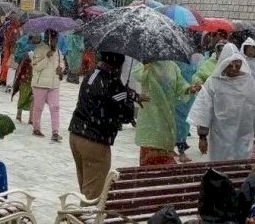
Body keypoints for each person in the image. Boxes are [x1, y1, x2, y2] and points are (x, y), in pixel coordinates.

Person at [68, 51, 142, 199]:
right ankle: (87, 220)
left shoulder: (93, 74)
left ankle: (79, 217)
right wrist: (128, 99)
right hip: (95, 140)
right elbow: (125, 114)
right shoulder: (111, 81)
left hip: (77, 134)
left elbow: (112, 96)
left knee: (85, 188)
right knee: (93, 196)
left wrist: (130, 94)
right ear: (117, 65)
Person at [187, 50, 255, 161]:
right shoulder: (213, 82)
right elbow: (203, 110)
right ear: (223, 64)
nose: (234, 68)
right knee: (221, 168)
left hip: (244, 134)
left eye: (237, 64)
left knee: (243, 167)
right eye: (230, 64)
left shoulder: (249, 81)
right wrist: (202, 136)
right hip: (220, 136)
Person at [132, 61, 190, 165]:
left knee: (165, 150)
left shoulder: (173, 66)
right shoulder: (145, 64)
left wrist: (189, 89)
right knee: (150, 161)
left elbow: (181, 85)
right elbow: (137, 75)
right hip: (150, 117)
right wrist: (146, 67)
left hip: (167, 116)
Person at [31, 29, 63, 141]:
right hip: (40, 84)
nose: (54, 41)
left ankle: (55, 132)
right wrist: (46, 58)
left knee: (55, 107)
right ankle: (36, 128)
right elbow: (36, 67)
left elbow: (62, 63)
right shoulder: (39, 49)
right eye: (52, 38)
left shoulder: (58, 52)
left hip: (54, 85)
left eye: (56, 39)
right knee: (38, 107)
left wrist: (61, 69)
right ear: (48, 38)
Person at [12, 33, 40, 123]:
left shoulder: (42, 47)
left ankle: (31, 118)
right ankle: (18, 114)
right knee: (23, 94)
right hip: (25, 73)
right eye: (35, 37)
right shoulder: (23, 44)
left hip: (36, 74)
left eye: (38, 37)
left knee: (34, 96)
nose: (37, 39)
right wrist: (27, 56)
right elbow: (18, 57)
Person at [0, 14, 21, 87]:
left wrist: (11, 45)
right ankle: (4, 79)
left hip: (11, 47)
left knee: (8, 64)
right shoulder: (12, 26)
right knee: (6, 63)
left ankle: (5, 79)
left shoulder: (14, 27)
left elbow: (14, 37)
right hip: (9, 47)